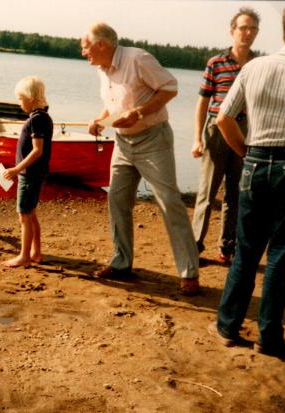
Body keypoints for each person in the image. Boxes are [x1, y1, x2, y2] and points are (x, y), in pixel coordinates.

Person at [209, 2, 285, 358]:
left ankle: (227, 326)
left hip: (256, 160)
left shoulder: (255, 66)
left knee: (246, 252)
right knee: (281, 253)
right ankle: (269, 335)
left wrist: (245, 152)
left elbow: (223, 118)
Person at [81, 22, 200, 295]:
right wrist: (100, 120)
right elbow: (114, 105)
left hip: (153, 140)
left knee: (169, 201)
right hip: (122, 143)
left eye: (85, 46)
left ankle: (189, 272)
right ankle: (121, 263)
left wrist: (138, 113)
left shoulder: (137, 58)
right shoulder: (102, 69)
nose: (83, 52)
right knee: (117, 199)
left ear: (101, 44)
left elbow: (170, 87)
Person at [191, 8, 260, 264]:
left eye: (253, 28)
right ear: (233, 31)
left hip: (245, 129)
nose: (248, 32)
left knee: (236, 193)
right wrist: (197, 138)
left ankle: (226, 248)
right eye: (243, 27)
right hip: (216, 128)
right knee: (207, 193)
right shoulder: (216, 63)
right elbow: (202, 103)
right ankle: (194, 246)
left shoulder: (258, 64)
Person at [2, 76, 53, 267]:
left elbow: (37, 150)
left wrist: (16, 169)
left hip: (30, 175)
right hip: (35, 174)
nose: (19, 102)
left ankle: (24, 256)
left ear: (31, 97)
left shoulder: (37, 120)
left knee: (24, 215)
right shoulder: (43, 117)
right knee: (31, 213)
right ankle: (36, 253)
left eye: (20, 98)